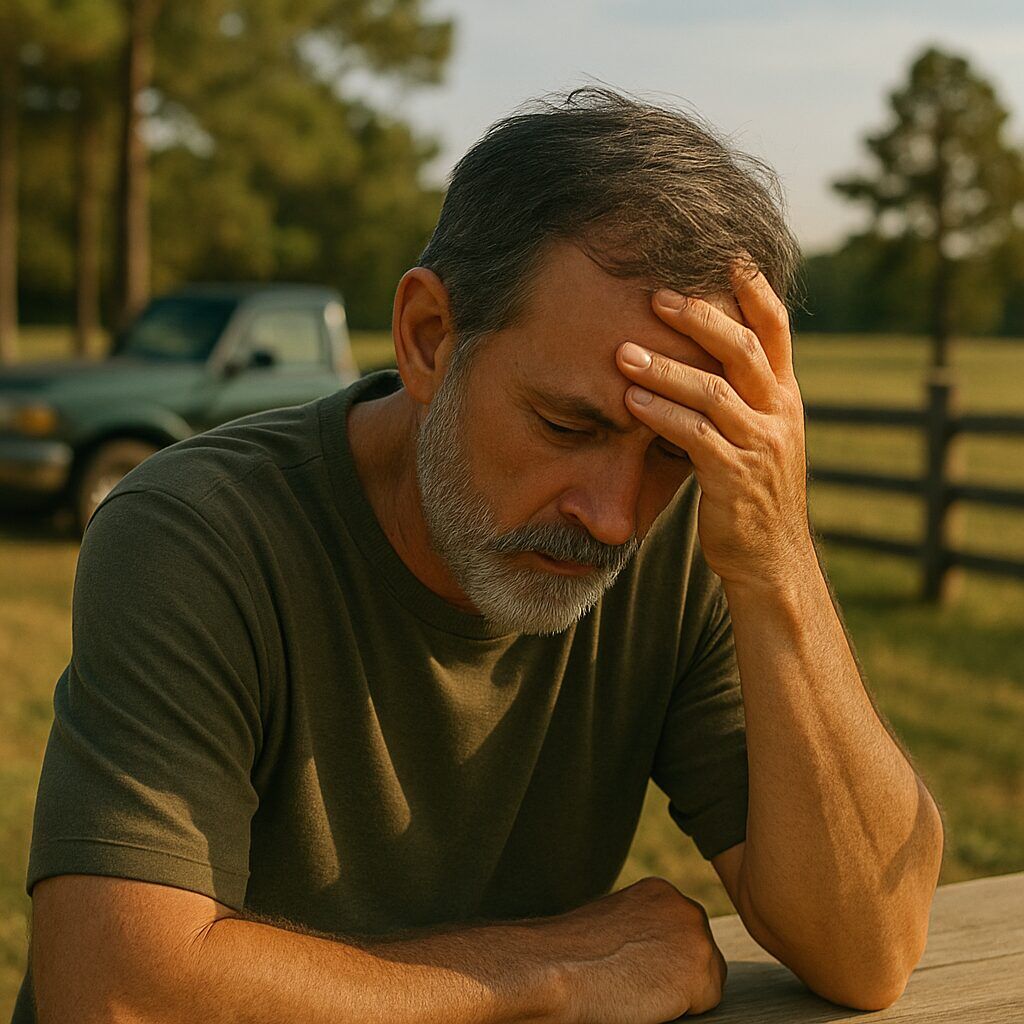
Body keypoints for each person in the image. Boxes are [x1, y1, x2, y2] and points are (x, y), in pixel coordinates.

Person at [15, 86, 943, 1024]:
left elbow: (867, 947)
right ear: (427, 338)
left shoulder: (695, 544)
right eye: (565, 423)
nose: (615, 518)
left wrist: (779, 558)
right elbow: (114, 993)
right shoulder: (200, 532)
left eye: (673, 447)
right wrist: (555, 971)